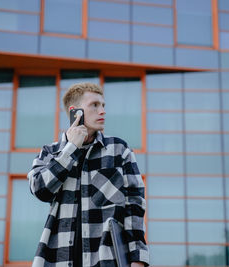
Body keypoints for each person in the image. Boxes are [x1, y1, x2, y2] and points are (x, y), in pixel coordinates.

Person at [27, 82, 149, 267]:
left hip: (106, 259)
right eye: (94, 105)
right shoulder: (50, 152)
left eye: (103, 105)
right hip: (57, 258)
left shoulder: (119, 150)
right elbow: (40, 189)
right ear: (75, 111)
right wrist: (70, 149)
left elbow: (135, 206)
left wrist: (138, 258)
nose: (102, 111)